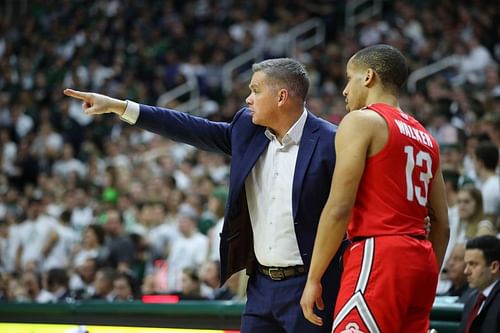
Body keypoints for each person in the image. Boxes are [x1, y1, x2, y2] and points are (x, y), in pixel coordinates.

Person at [64, 58, 346, 332]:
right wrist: (119, 107)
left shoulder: (331, 142)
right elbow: (189, 126)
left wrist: (320, 279)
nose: (248, 99)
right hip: (260, 285)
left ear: (282, 97)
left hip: (311, 284)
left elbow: (345, 215)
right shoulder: (248, 130)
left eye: (255, 91)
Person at [300, 44, 450, 332]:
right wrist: (429, 271)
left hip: (379, 254)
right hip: (421, 264)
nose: (344, 89)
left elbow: (339, 206)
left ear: (368, 77)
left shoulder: (362, 121)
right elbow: (442, 224)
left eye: (348, 77)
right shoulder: (427, 137)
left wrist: (313, 277)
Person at [458, 235, 500, 333]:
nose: (466, 271)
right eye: (466, 264)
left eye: (473, 264)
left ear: (494, 267)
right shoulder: (472, 299)